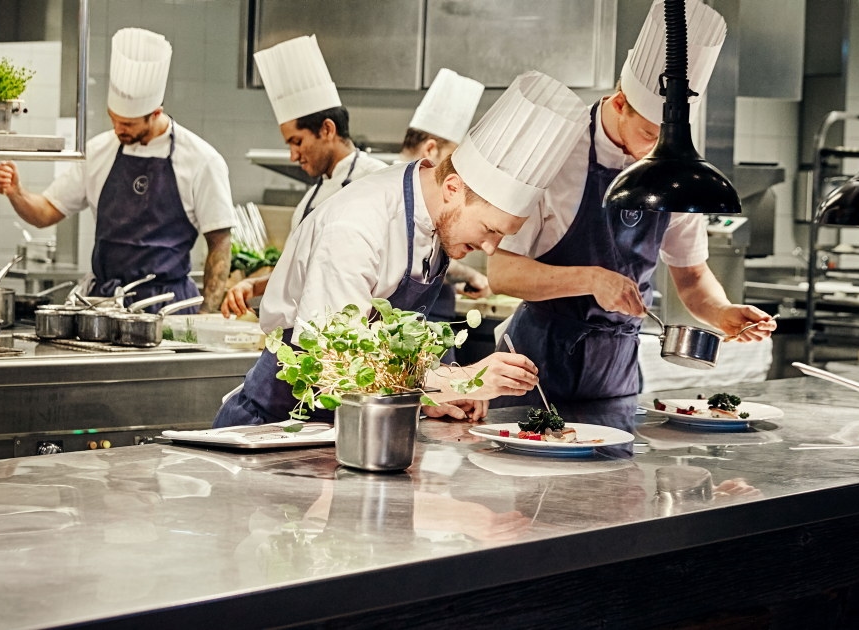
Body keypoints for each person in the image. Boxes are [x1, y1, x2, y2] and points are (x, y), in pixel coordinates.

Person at [214, 71, 589, 428]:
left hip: (355, 429)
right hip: (278, 427)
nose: (491, 248)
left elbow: (385, 349)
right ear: (453, 188)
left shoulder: (434, 220)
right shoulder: (357, 223)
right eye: (490, 229)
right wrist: (459, 379)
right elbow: (331, 361)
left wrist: (432, 394)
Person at [488, 0, 776, 403]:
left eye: (667, 137)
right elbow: (501, 272)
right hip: (534, 365)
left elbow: (691, 279)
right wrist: (589, 279)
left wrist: (723, 312)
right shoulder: (556, 151)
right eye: (647, 134)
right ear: (620, 102)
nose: (655, 150)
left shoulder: (674, 164)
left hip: (617, 371)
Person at [0, 28, 233, 314]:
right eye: (113, 120)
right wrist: (16, 192)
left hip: (168, 308)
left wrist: (206, 316)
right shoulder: (98, 151)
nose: (118, 130)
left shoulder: (202, 160)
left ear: (155, 113)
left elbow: (220, 243)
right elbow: (45, 213)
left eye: (128, 124)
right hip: (105, 307)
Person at [221, 35, 388, 318]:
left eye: (297, 142)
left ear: (327, 129)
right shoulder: (313, 194)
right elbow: (300, 271)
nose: (293, 155)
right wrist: (255, 284)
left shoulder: (379, 182)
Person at [394, 68, 492, 325]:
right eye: (453, 156)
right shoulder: (394, 196)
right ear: (431, 149)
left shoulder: (427, 199)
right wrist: (471, 275)